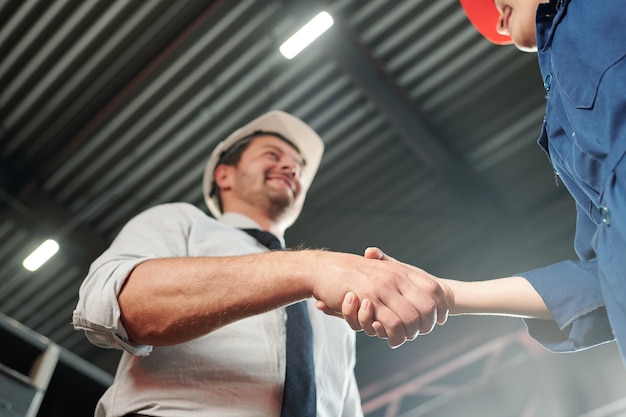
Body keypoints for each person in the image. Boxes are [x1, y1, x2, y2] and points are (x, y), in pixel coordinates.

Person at [72, 110, 450, 417]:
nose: (290, 167)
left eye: (297, 165)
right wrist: (308, 269)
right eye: (272, 155)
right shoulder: (179, 223)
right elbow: (119, 306)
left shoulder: (331, 305)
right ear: (224, 175)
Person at [328, 0, 626, 365]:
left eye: (499, 1)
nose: (497, 15)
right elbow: (602, 279)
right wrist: (448, 294)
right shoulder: (563, 118)